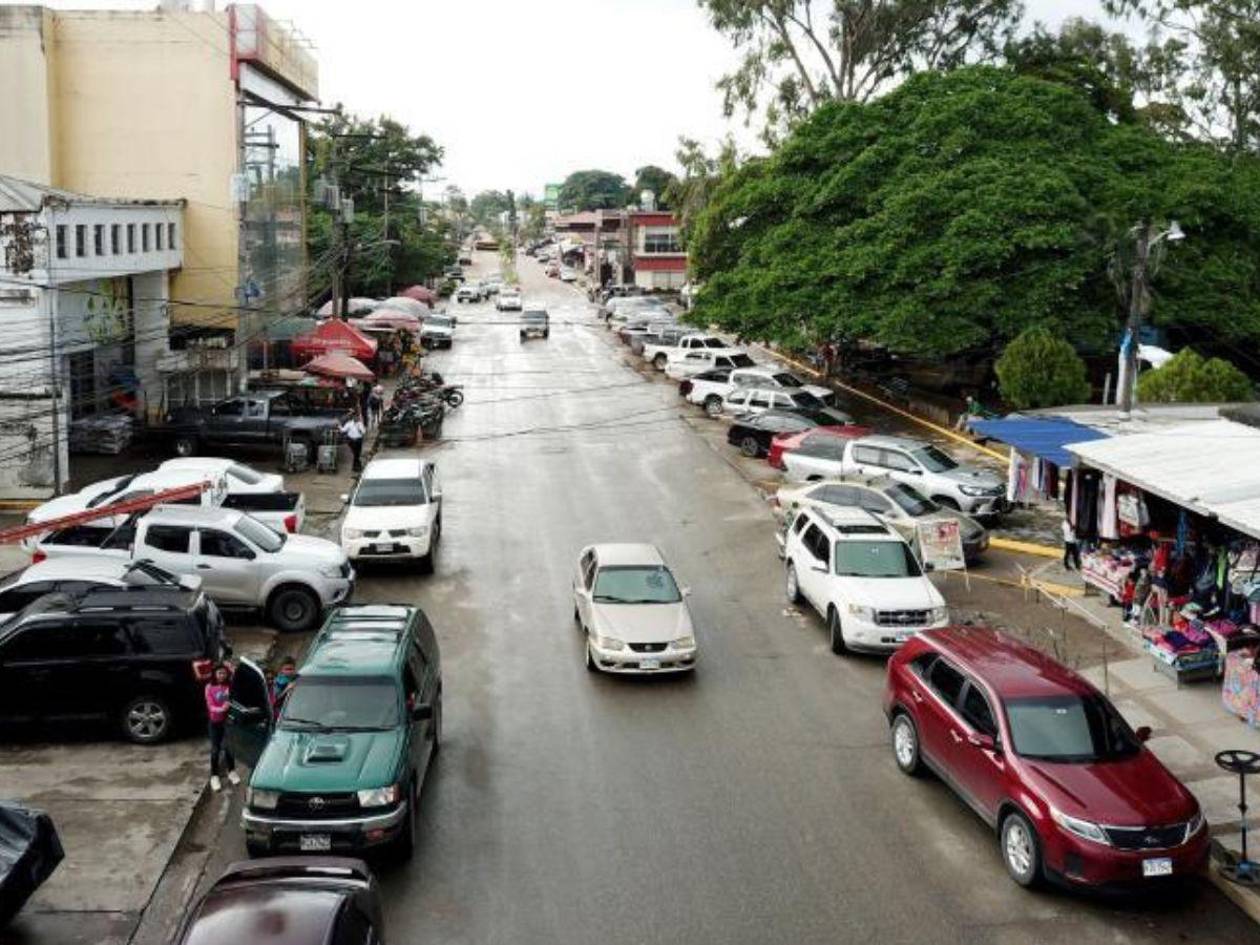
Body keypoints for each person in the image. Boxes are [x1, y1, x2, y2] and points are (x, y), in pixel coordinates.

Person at [205, 663, 240, 792]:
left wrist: (232, 668)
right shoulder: (209, 687)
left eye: (224, 673)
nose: (222, 675)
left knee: (229, 747)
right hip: (215, 722)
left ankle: (232, 771)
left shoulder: (230, 686)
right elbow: (210, 706)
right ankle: (214, 776)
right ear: (215, 674)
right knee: (215, 750)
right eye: (219, 673)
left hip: (228, 722)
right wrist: (221, 708)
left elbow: (239, 683)